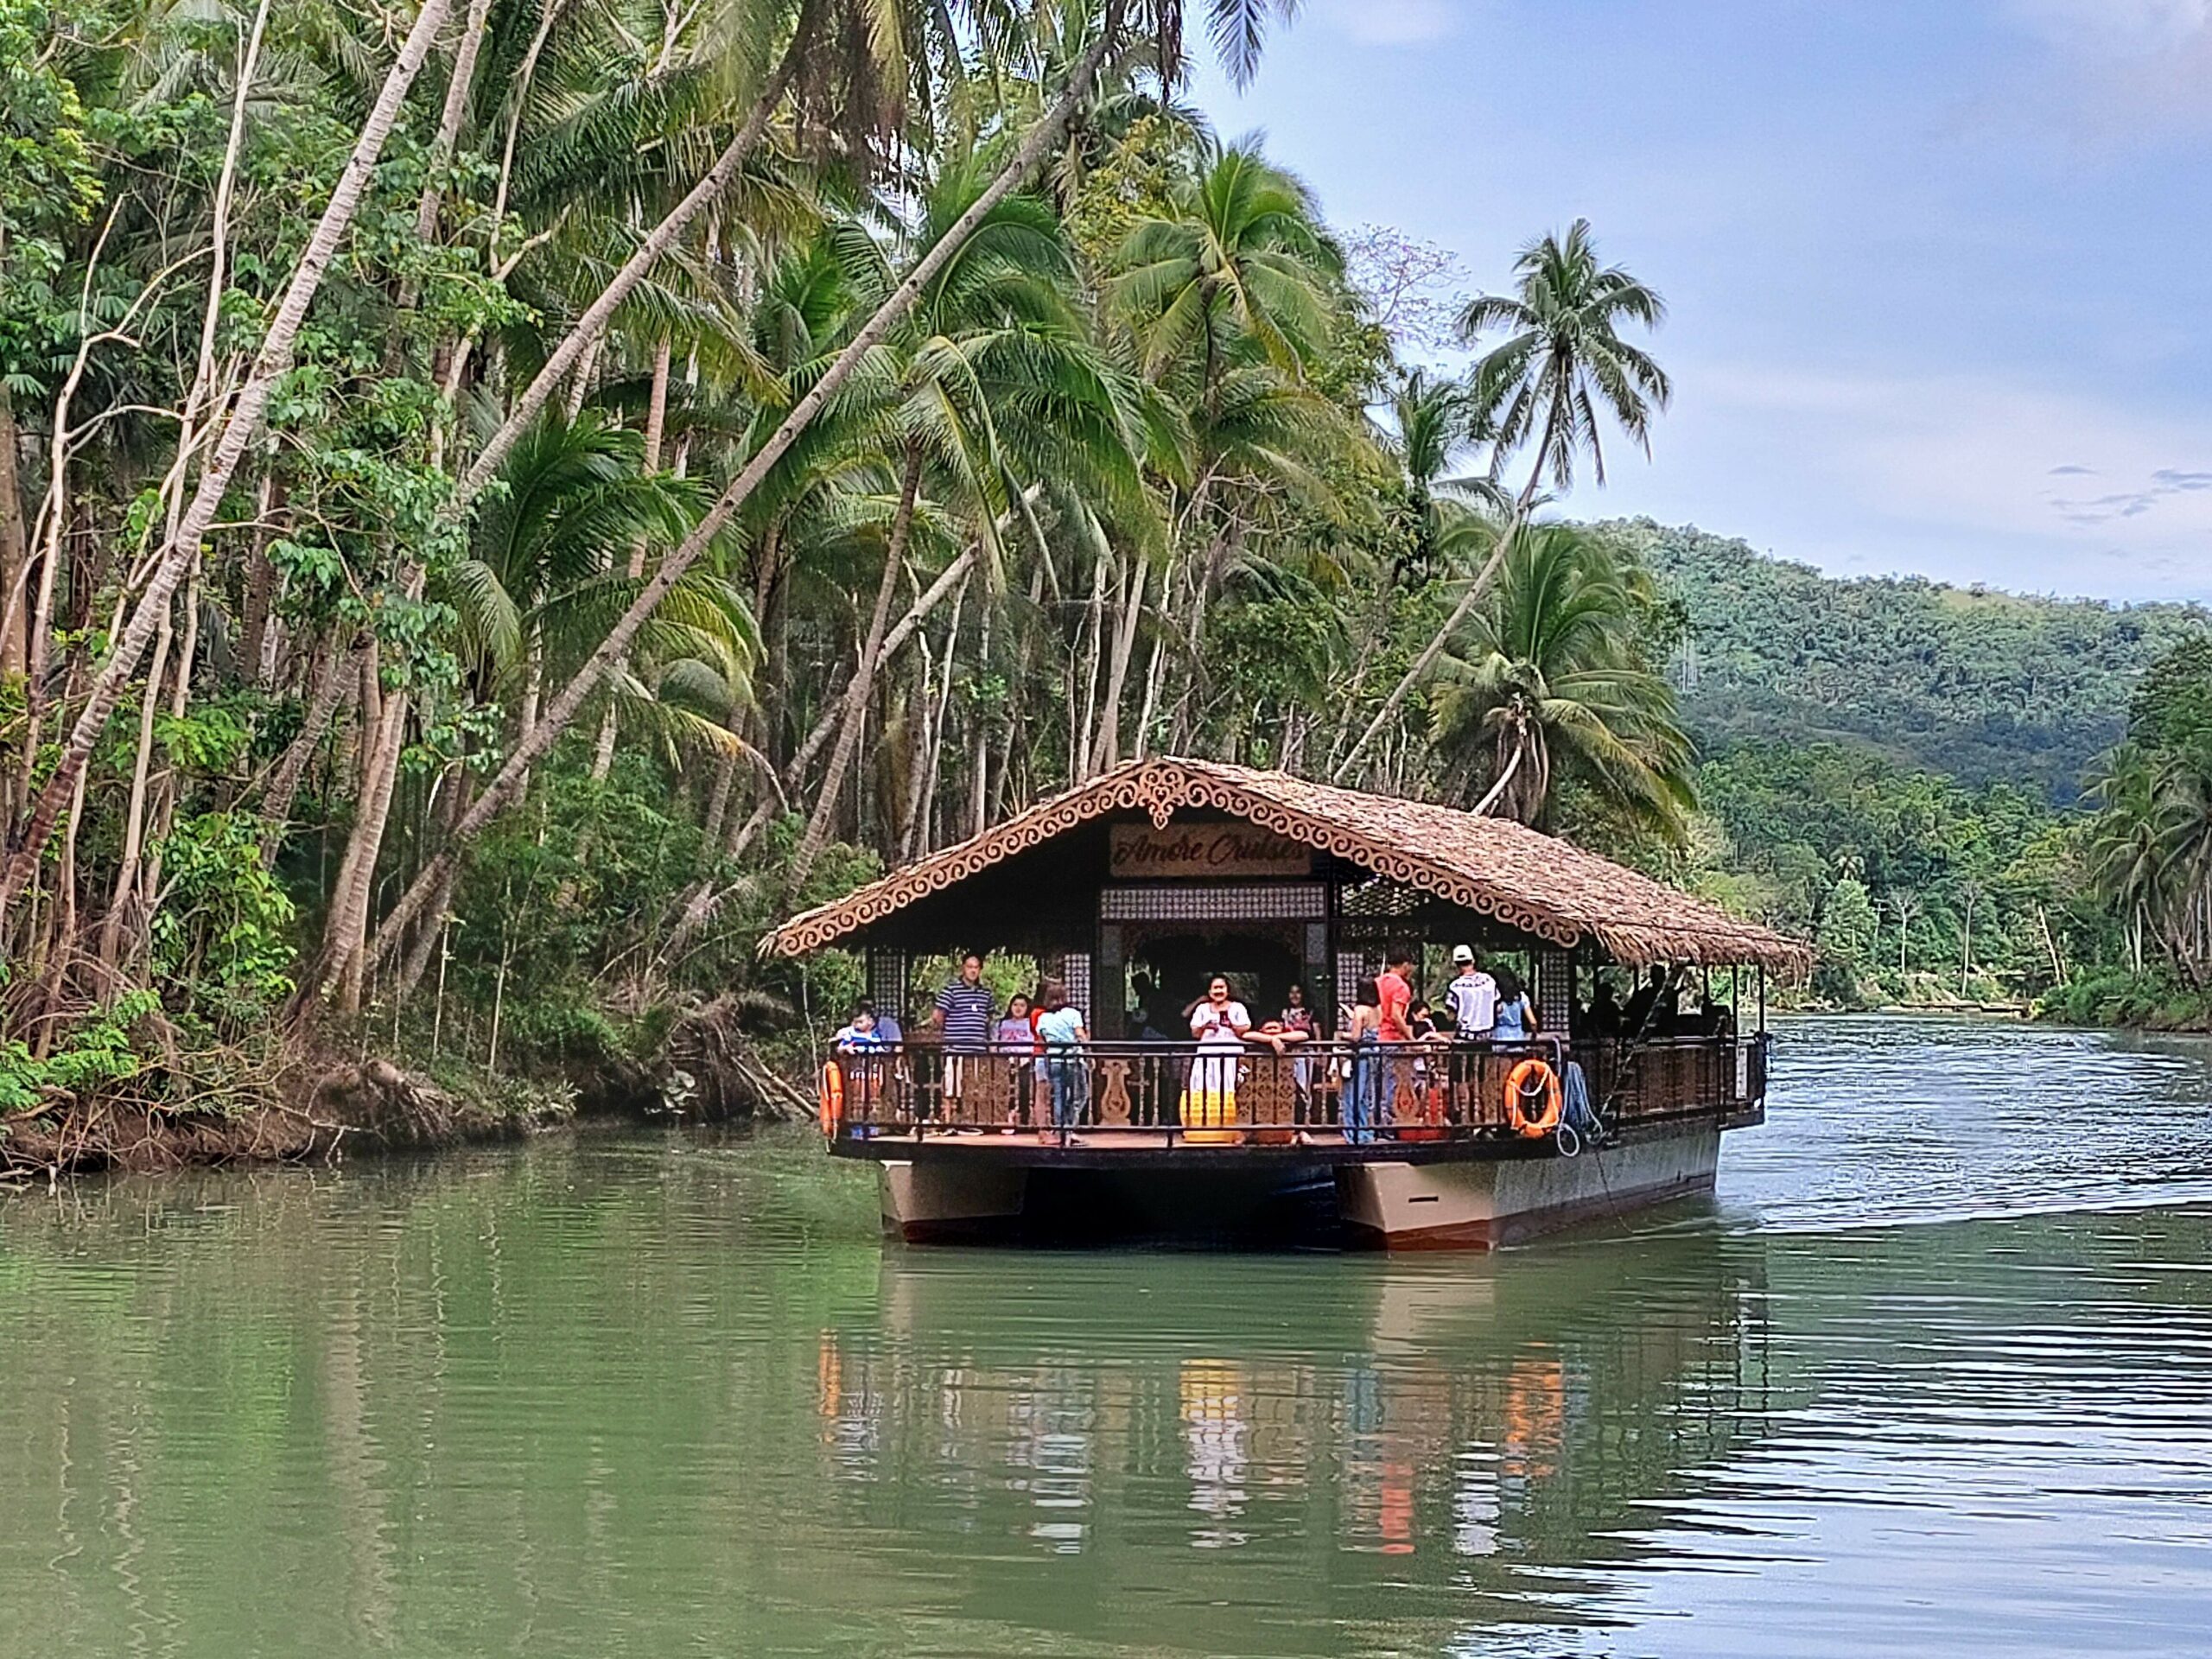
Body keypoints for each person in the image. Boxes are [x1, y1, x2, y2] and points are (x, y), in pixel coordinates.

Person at [1183, 975, 1251, 1142]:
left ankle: (1232, 1127)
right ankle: (1206, 1127)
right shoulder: (1202, 1009)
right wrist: (1206, 1026)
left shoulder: (1237, 1008)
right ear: (1210, 991)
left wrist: (1232, 1025)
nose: (1219, 991)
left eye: (1222, 987)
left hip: (1231, 1055)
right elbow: (1195, 1033)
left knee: (1231, 1087)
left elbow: (1246, 1029)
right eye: (1215, 988)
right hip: (1207, 1055)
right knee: (1205, 1087)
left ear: (1228, 990)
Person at [931, 950, 995, 1115]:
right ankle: (948, 1120)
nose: (973, 971)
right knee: (952, 1085)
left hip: (977, 1049)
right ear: (963, 968)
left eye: (976, 967)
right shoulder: (951, 991)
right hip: (955, 1048)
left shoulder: (985, 994)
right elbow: (938, 1015)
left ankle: (971, 1120)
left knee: (974, 1086)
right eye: (969, 967)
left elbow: (989, 1017)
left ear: (980, 969)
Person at [1033, 978, 1089, 1137]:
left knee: (1059, 1095)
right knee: (1079, 1094)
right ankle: (1069, 1127)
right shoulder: (1072, 1013)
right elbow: (1079, 1034)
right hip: (1072, 1059)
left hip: (1053, 1059)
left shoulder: (1044, 1018)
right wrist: (1087, 1047)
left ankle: (1059, 1128)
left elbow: (1041, 1039)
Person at [1375, 947, 1418, 1126]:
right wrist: (1411, 1039)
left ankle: (1373, 1122)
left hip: (1374, 1038)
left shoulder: (1377, 982)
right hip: (1390, 1039)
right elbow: (1396, 1015)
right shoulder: (1401, 986)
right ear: (1406, 964)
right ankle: (1386, 1124)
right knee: (1389, 1084)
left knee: (1375, 1084)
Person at [1341, 976, 1382, 1144]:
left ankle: (1352, 1133)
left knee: (1353, 1095)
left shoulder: (1360, 1009)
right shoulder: (1377, 1009)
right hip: (1374, 1051)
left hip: (1361, 1054)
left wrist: (1342, 1035)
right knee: (1366, 1095)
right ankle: (1366, 1133)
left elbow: (1356, 1036)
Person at [996, 993, 1039, 1126]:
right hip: (1005, 1060)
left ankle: (1024, 1117)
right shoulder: (1003, 1023)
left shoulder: (1030, 1023)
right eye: (1015, 1005)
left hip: (1025, 1060)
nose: (1018, 1008)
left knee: (1025, 1087)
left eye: (1022, 1005)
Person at [1444, 946, 1497, 1044]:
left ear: (1456, 964)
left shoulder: (1455, 986)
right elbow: (1499, 1008)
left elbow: (1450, 1016)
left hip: (1465, 1035)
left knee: (1461, 1058)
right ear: (1473, 961)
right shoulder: (1489, 981)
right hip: (1487, 1035)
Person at [1492, 966, 1537, 1044]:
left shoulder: (1495, 997)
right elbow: (1533, 1022)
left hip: (1500, 1038)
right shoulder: (1521, 997)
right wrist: (1533, 1036)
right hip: (1518, 1037)